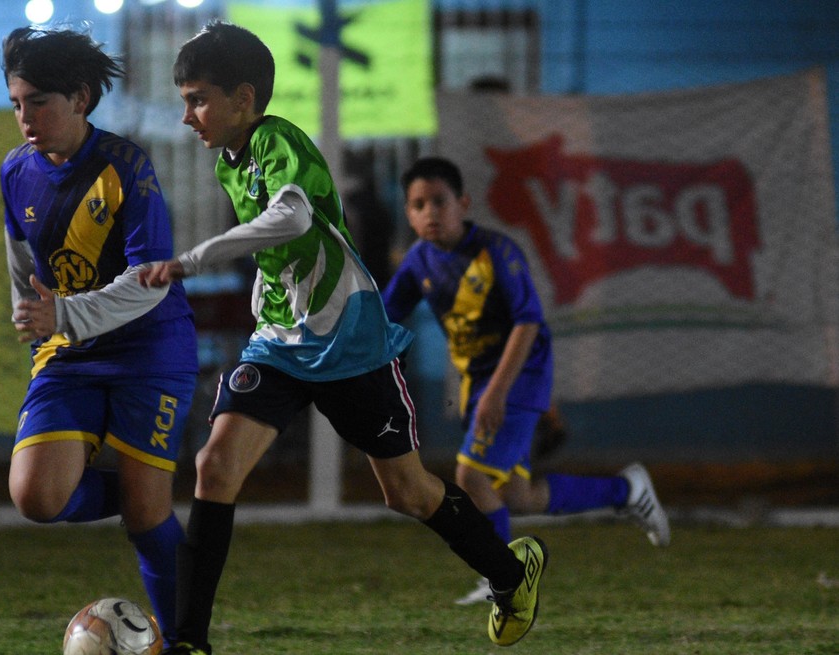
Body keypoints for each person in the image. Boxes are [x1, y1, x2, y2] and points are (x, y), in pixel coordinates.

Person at [138, 21, 546, 653]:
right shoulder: (229, 162)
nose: (187, 114)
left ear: (243, 99)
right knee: (214, 467)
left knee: (407, 493)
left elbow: (295, 215)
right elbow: (282, 252)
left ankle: (511, 574)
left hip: (349, 343)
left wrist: (192, 259)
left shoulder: (278, 140)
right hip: (277, 343)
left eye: (197, 99)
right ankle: (190, 642)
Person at [381, 156, 671, 604]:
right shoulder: (419, 261)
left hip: (520, 376)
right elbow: (383, 317)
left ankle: (503, 577)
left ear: (463, 202)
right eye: (418, 204)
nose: (430, 212)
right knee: (517, 494)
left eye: (440, 201)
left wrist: (496, 393)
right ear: (408, 213)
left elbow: (527, 322)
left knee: (471, 476)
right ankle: (627, 491)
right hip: (479, 384)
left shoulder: (497, 252)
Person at [0, 26, 199, 645]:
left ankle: (186, 639)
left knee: (145, 517)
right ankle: (152, 495)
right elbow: (23, 265)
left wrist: (63, 316)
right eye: (16, 103)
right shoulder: (14, 172)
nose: (26, 118)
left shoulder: (126, 166)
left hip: (150, 349)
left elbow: (150, 281)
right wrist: (34, 318)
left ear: (80, 98)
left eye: (39, 102)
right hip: (71, 353)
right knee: (35, 497)